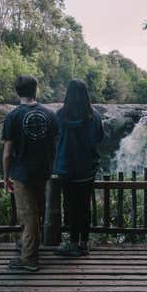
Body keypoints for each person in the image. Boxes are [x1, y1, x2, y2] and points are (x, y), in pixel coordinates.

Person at [2, 75, 58, 272]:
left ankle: (29, 259)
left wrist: (5, 176)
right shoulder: (50, 115)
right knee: (37, 212)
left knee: (27, 215)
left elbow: (8, 153)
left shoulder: (12, 116)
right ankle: (29, 247)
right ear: (36, 90)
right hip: (43, 171)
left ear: (17, 92)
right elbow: (54, 145)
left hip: (22, 172)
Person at [53, 80, 104, 257]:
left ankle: (73, 243)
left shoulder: (60, 115)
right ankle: (84, 243)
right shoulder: (94, 116)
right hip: (87, 170)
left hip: (66, 169)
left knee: (70, 206)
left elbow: (54, 137)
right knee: (84, 206)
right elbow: (99, 138)